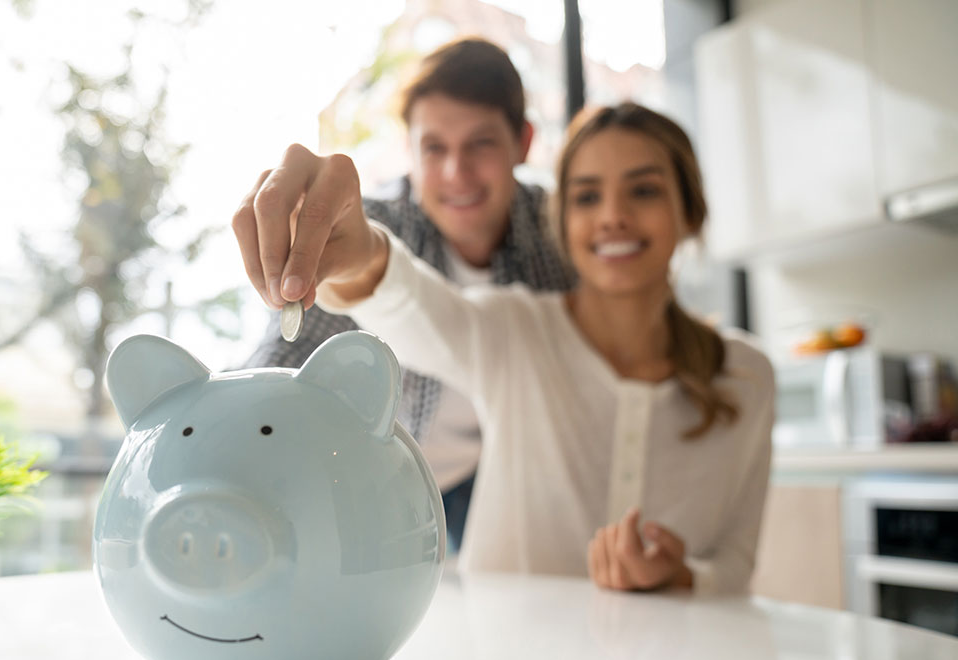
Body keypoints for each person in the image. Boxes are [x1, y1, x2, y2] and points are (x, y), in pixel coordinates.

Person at [231, 102, 775, 594]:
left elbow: (734, 566)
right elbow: (410, 303)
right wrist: (356, 250)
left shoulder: (748, 375)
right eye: (587, 195)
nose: (612, 215)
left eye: (644, 190)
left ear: (692, 210)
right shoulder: (515, 331)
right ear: (562, 223)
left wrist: (680, 576)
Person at [238, 37, 573, 552]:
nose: (454, 173)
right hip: (390, 487)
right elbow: (291, 356)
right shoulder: (369, 228)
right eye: (434, 147)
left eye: (480, 144)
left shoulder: (560, 233)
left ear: (523, 142)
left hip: (511, 478)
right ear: (410, 150)